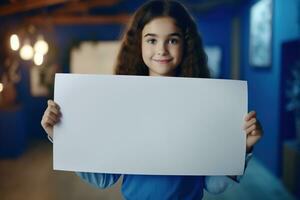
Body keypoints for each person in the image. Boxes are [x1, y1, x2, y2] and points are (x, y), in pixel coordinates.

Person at [41, 0, 263, 199]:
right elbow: (103, 179)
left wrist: (242, 148)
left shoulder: (205, 103)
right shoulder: (121, 101)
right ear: (139, 44)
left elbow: (213, 185)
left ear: (186, 43)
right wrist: (60, 134)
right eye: (151, 40)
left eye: (172, 40)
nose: (161, 50)